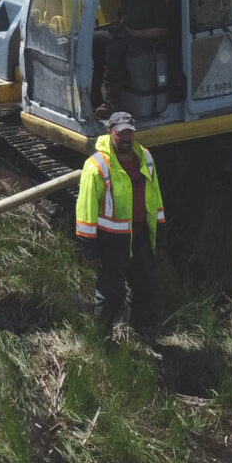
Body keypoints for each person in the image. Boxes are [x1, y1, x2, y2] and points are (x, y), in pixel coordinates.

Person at [74, 112, 166, 333]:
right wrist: (90, 250)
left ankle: (139, 329)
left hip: (141, 237)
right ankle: (102, 341)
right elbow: (86, 211)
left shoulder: (146, 158)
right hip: (111, 242)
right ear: (110, 133)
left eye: (129, 133)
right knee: (110, 294)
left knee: (145, 286)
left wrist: (160, 237)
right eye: (120, 133)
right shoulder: (96, 165)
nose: (125, 138)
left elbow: (156, 199)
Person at [97, 0, 169, 110]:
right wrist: (119, 26)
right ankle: (93, 96)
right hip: (128, 33)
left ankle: (114, 97)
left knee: (114, 50)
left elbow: (162, 30)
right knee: (96, 40)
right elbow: (126, 15)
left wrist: (138, 33)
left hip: (148, 39)